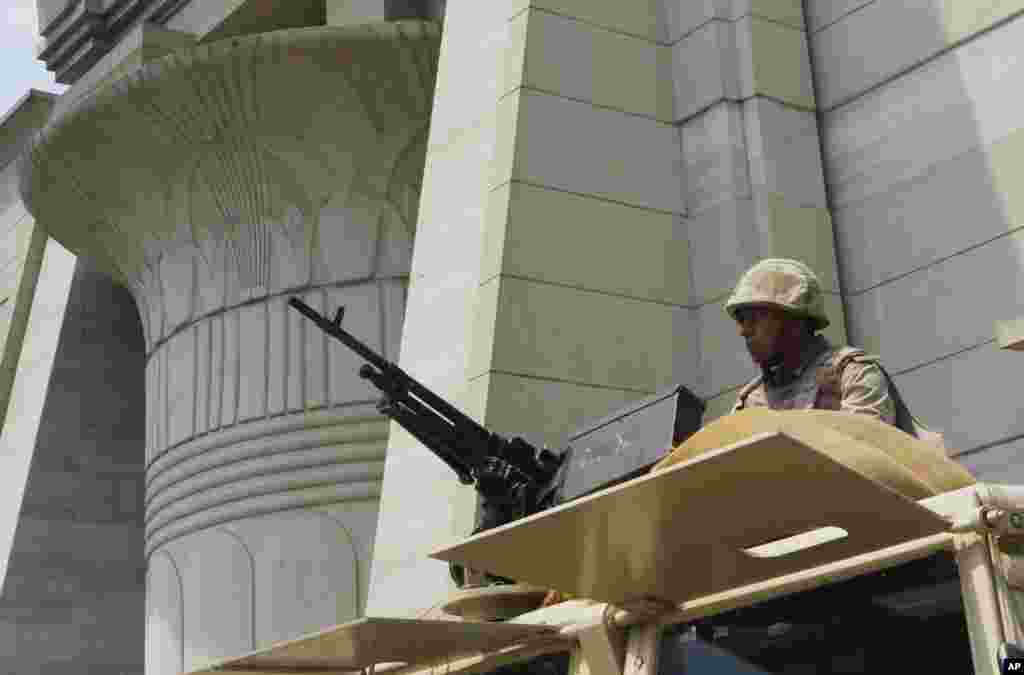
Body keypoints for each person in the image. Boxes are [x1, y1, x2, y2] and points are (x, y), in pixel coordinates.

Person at [725, 258, 896, 423]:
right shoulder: (749, 404)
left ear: (795, 321)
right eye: (741, 320)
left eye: (754, 318)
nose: (743, 331)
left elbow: (866, 444)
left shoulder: (851, 374)